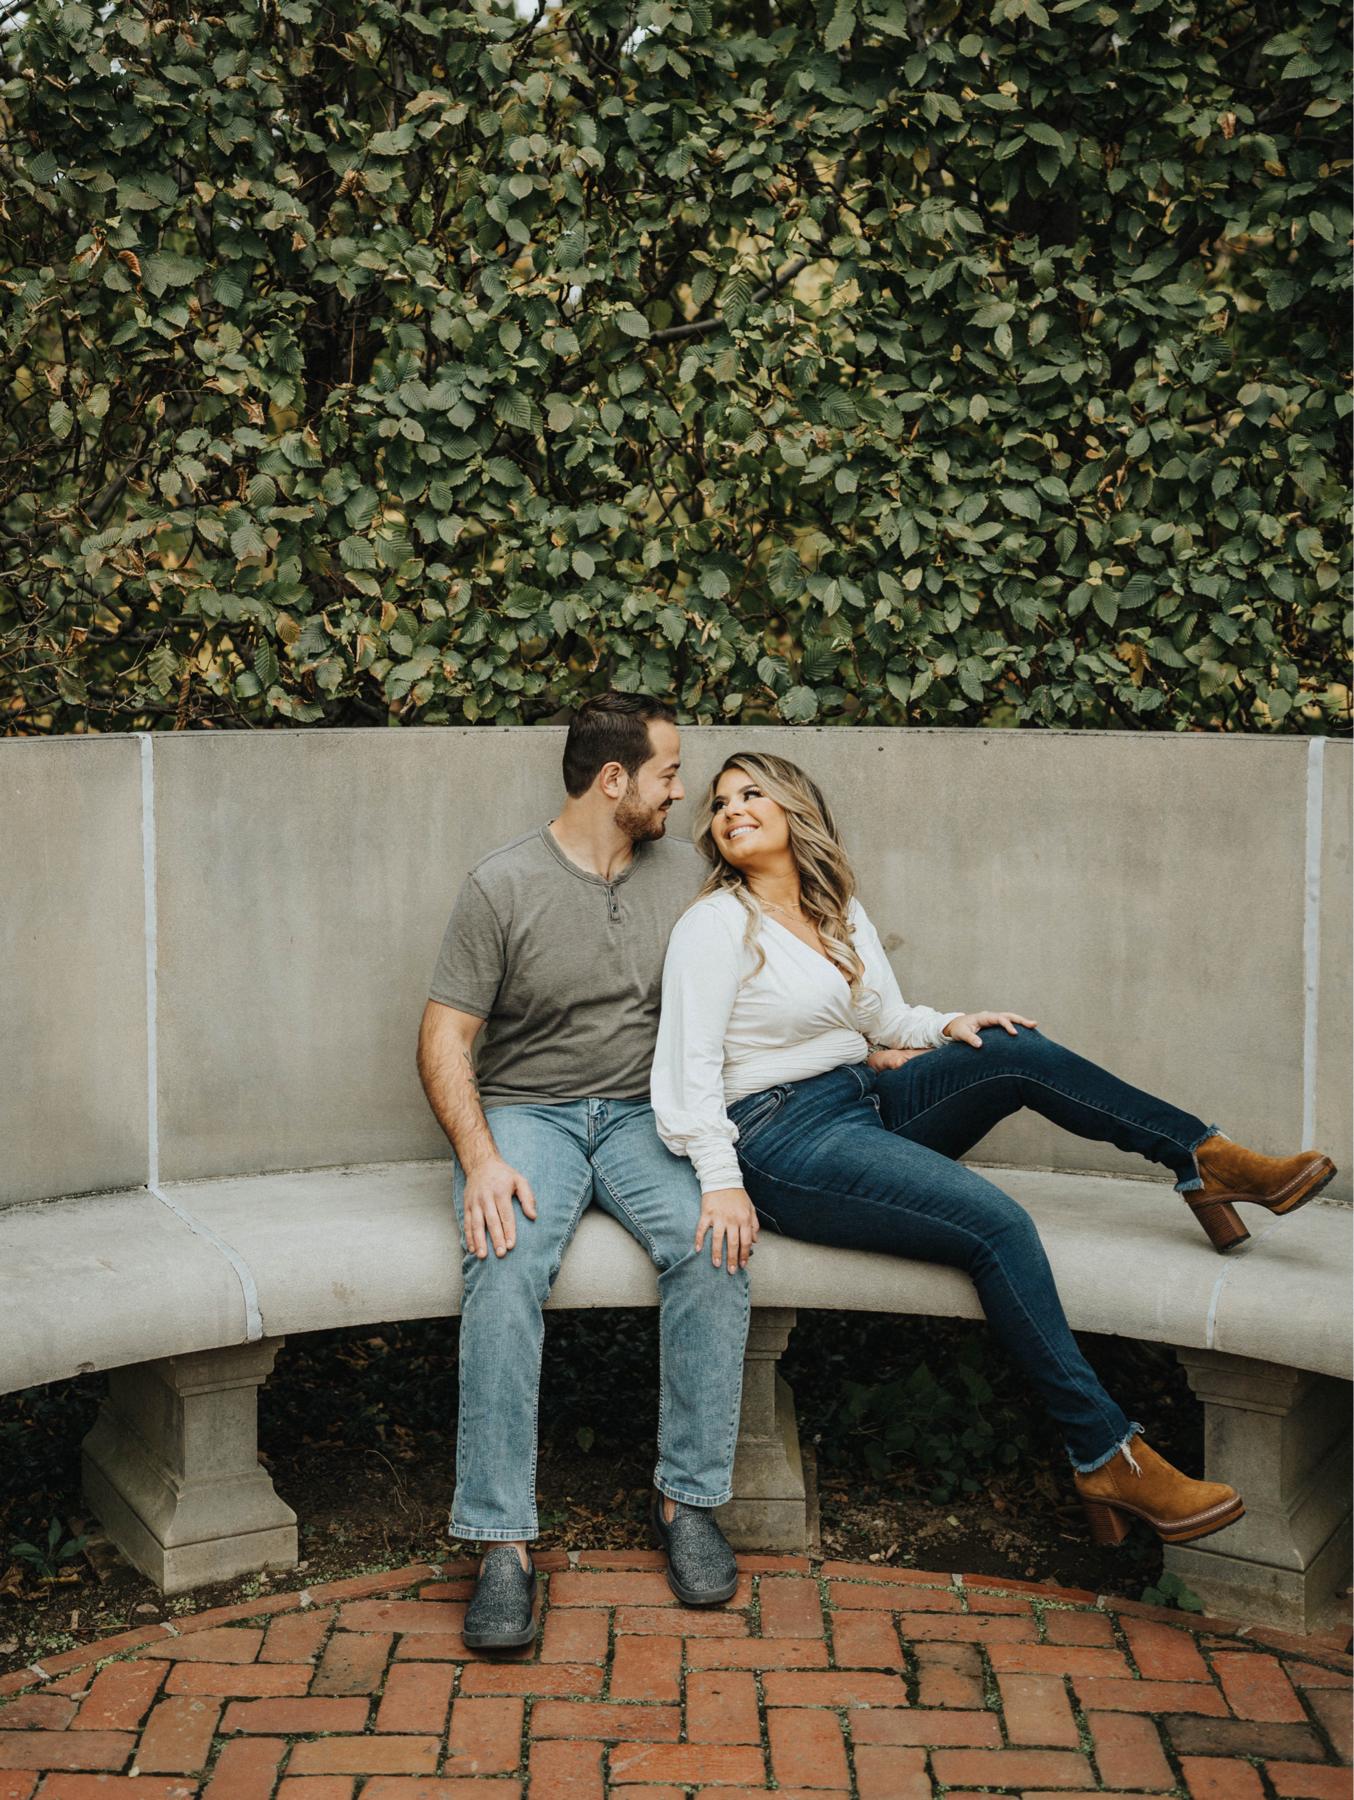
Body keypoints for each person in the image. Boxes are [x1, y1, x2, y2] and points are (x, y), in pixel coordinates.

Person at [652, 751, 1337, 1548]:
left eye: (751, 793)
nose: (730, 809)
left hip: (861, 1095)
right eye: (719, 802)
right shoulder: (715, 925)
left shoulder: (834, 908)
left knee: (1013, 1048)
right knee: (997, 1226)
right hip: (781, 1136)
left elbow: (884, 1019)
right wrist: (721, 1180)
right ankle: (1106, 1455)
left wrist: (949, 1025)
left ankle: (1202, 1159)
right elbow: (686, 1072)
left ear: (794, 808)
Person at [417, 696, 757, 1649]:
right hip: (530, 1115)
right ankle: (502, 1543)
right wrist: (481, 1159)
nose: (682, 793)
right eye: (668, 774)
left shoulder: (689, 877)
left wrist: (889, 1033)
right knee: (504, 1259)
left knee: (714, 1243)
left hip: (651, 1115)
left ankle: (687, 1500)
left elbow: (784, 959)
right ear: (615, 781)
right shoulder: (501, 886)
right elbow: (444, 1038)